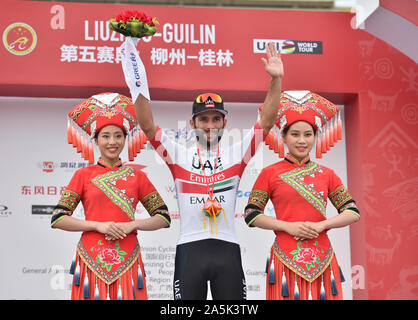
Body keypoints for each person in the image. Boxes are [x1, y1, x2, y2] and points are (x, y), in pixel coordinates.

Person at [119, 40, 284, 299]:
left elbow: (267, 121)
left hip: (227, 251)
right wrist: (135, 77)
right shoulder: (177, 154)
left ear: (224, 123)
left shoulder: (236, 154)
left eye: (216, 119)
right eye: (203, 119)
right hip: (189, 251)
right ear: (192, 123)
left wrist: (276, 80)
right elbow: (148, 126)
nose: (210, 125)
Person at [50, 92, 171, 300]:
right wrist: (98, 225)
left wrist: (132, 225)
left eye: (118, 135)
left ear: (125, 139)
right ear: (95, 140)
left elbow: (163, 217)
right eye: (105, 136)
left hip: (128, 257)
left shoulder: (138, 177)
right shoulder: (83, 175)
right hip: (91, 259)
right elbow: (58, 218)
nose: (112, 142)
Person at [244, 90, 360, 300]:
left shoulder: (327, 174)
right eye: (295, 134)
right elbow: (251, 215)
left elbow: (352, 212)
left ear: (316, 137)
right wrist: (288, 226)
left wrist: (321, 225)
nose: (302, 140)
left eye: (308, 134)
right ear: (284, 137)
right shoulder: (269, 173)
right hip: (285, 255)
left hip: (323, 256)